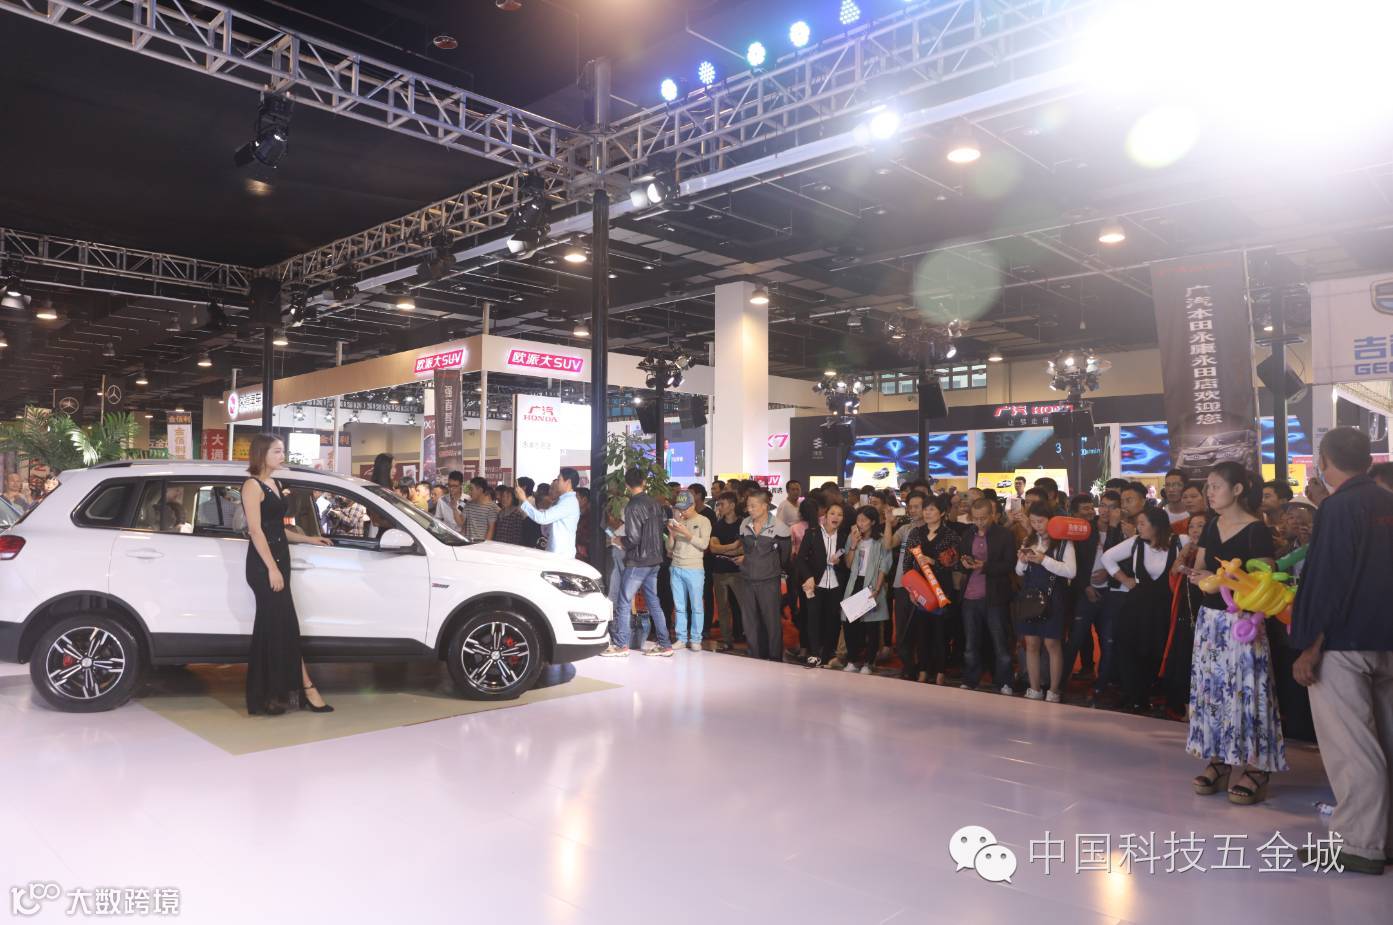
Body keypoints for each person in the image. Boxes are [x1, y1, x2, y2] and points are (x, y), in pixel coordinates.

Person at [1291, 427, 1393, 874]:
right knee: (1385, 741)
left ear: (1324, 460)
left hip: (1343, 642)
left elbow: (1329, 579)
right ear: (1369, 461)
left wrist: (1310, 646)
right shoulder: (1386, 500)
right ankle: (1383, 838)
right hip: (1385, 638)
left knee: (1352, 748)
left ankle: (1359, 844)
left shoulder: (1338, 507)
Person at [1186, 462, 1285, 805]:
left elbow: (1265, 581)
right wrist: (1200, 578)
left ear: (1238, 489)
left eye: (1216, 486)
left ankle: (1257, 766)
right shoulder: (1212, 525)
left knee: (1249, 688)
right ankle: (1219, 758)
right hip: (1211, 620)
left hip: (1244, 623)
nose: (1209, 493)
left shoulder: (1257, 530)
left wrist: (1223, 582)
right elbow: (1201, 568)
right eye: (1208, 487)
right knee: (1212, 690)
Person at [241, 434, 334, 716]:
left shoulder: (276, 483)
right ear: (262, 454)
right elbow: (256, 530)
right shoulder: (251, 485)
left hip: (280, 561)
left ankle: (276, 695)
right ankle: (304, 689)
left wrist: (309, 539)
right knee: (280, 628)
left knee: (280, 629)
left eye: (282, 451)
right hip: (263, 565)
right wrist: (271, 568)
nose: (283, 456)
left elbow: (277, 529)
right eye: (277, 451)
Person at [1104, 507, 1184, 714]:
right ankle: (1134, 695)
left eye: (1142, 523)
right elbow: (1107, 557)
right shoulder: (1135, 543)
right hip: (1137, 606)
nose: (1138, 528)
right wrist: (1125, 579)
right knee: (1131, 648)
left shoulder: (1180, 542)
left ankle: (1159, 694)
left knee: (1159, 650)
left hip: (1166, 607)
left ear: (1156, 525)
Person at [604, 467, 672, 657]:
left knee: (624, 601)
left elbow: (633, 538)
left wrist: (618, 540)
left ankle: (621, 645)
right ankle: (665, 644)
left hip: (638, 561)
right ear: (644, 482)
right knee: (653, 602)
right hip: (655, 559)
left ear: (626, 485)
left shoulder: (633, 506)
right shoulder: (655, 503)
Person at [1015, 502, 1077, 702]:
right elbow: (1018, 572)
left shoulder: (1064, 543)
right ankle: (1034, 688)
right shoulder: (1029, 540)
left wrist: (1043, 560)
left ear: (1052, 520)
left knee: (1052, 643)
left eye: (1040, 521)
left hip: (1053, 597)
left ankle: (1054, 690)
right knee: (1031, 643)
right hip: (1030, 597)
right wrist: (1022, 561)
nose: (1036, 526)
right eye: (1033, 522)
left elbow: (1071, 572)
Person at [957, 498, 1016, 694]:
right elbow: (961, 560)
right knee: (970, 643)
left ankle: (1005, 681)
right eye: (975, 518)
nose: (979, 522)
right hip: (970, 594)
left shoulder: (1004, 535)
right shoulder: (968, 534)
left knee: (1000, 642)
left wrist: (985, 566)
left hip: (995, 596)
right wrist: (964, 563)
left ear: (992, 515)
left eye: (983, 518)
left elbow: (1009, 564)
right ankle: (970, 679)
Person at [902, 494, 960, 685]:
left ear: (942, 513)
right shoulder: (916, 533)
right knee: (922, 632)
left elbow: (955, 563)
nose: (927, 513)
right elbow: (907, 564)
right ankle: (923, 670)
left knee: (940, 632)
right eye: (925, 509)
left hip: (941, 588)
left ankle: (941, 671)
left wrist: (934, 562)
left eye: (932, 509)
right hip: (920, 588)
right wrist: (911, 591)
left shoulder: (950, 535)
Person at [736, 488, 791, 661]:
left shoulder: (780, 527)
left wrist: (771, 568)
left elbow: (785, 556)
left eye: (753, 506)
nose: (749, 509)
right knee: (750, 622)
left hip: (769, 581)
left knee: (771, 621)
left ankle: (774, 658)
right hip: (747, 579)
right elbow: (746, 549)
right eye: (748, 506)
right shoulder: (744, 524)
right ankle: (755, 656)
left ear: (765, 506)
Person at [1163, 510, 1208, 719]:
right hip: (1184, 612)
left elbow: (1200, 577)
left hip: (1205, 612)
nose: (1195, 530)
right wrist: (1182, 555)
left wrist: (1187, 566)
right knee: (1182, 661)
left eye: (1201, 526)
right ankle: (1185, 707)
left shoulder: (1212, 551)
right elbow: (1173, 574)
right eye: (1192, 526)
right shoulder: (1187, 550)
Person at [796, 499, 849, 668]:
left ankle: (827, 654)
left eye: (840, 515)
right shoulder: (812, 533)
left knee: (832, 619)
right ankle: (814, 653)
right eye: (832, 513)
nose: (836, 517)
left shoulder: (844, 537)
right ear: (824, 516)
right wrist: (808, 577)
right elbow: (800, 559)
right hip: (815, 584)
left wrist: (839, 562)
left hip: (835, 585)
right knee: (813, 618)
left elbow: (847, 564)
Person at [840, 505, 891, 674]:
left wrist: (877, 588)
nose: (860, 523)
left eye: (864, 520)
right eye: (858, 520)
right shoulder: (853, 537)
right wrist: (853, 545)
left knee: (871, 625)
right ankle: (852, 659)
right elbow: (848, 564)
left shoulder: (880, 540)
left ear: (873, 522)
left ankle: (869, 662)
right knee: (850, 622)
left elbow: (884, 566)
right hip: (855, 582)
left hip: (872, 583)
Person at [886, 491, 928, 678]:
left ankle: (923, 666)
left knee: (921, 628)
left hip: (923, 586)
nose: (912, 510)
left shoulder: (932, 530)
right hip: (901, 585)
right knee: (903, 628)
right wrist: (888, 523)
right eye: (910, 506)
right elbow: (888, 545)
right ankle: (907, 666)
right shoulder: (905, 528)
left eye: (917, 506)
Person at [665, 490, 711, 651]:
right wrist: (671, 534)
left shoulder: (704, 521)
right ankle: (681, 638)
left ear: (693, 505)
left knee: (696, 606)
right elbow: (669, 548)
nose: (682, 511)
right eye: (679, 508)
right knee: (679, 606)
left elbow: (704, 545)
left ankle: (696, 639)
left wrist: (687, 534)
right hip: (676, 567)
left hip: (694, 568)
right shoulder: (679, 521)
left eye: (684, 508)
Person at [706, 492, 745, 652]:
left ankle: (751, 638)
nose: (719, 507)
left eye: (722, 504)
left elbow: (743, 549)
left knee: (745, 606)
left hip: (738, 572)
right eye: (718, 504)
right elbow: (713, 548)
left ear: (732, 505)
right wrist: (733, 546)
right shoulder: (717, 525)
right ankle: (727, 640)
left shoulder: (743, 524)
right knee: (722, 608)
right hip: (719, 571)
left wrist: (724, 549)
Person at [515, 468, 581, 559]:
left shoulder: (568, 502)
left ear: (568, 482)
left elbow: (543, 518)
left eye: (559, 479)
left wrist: (524, 500)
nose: (557, 482)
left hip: (561, 555)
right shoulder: (563, 500)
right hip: (557, 552)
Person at [461, 476, 499, 543]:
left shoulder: (491, 507)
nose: (470, 492)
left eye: (471, 489)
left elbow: (491, 529)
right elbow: (463, 524)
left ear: (480, 490)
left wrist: (485, 545)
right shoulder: (468, 504)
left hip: (481, 545)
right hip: (467, 544)